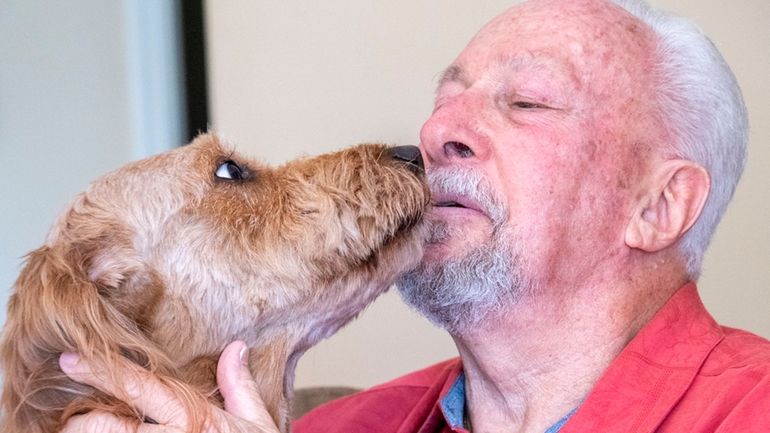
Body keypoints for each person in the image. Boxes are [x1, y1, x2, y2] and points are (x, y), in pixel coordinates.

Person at [58, 0, 769, 432]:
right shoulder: (330, 427)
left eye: (526, 102)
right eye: (445, 99)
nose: (437, 134)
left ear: (659, 204)